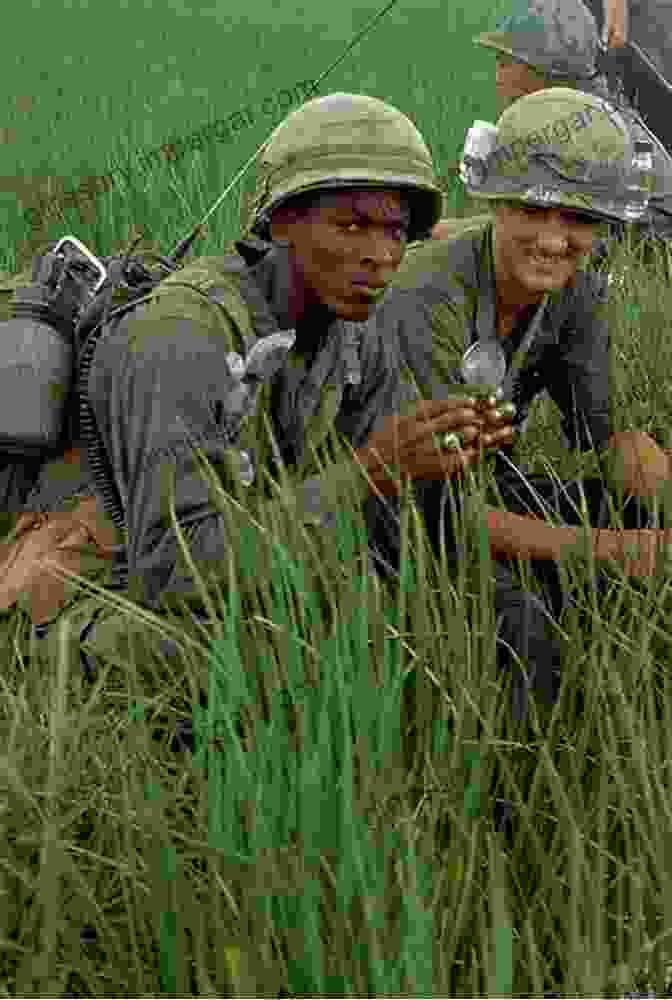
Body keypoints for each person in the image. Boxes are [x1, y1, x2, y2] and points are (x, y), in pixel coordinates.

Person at [9, 93, 525, 688]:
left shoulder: (356, 330)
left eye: (396, 231)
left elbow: (388, 530)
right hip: (84, 584)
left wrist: (441, 463)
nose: (381, 256)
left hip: (234, 567)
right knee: (284, 653)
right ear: (281, 221)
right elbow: (178, 573)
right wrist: (373, 469)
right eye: (352, 224)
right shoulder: (182, 336)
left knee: (422, 620)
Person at [365, 87, 672, 646]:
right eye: (531, 209)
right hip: (392, 516)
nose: (553, 240)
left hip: (489, 490)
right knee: (523, 629)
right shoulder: (426, 297)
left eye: (579, 217)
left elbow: (603, 437)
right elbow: (441, 512)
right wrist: (610, 550)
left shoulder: (578, 294)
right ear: (494, 203)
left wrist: (648, 480)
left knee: (629, 524)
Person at [431, 0, 672, 242]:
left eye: (504, 62)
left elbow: (528, 227)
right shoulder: (579, 110)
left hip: (648, 248)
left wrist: (432, 233)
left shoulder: (581, 130)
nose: (496, 77)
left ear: (539, 68)